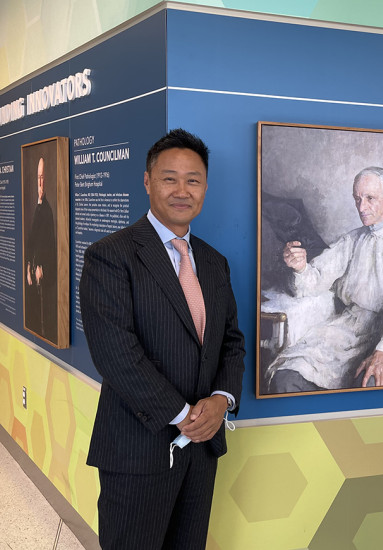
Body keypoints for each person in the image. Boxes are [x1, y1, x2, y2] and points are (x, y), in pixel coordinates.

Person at [79, 129, 245, 549]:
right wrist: (185, 414)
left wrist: (222, 400)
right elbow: (116, 354)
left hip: (202, 451)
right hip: (138, 449)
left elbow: (231, 342)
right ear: (148, 181)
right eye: (170, 178)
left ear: (205, 187)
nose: (182, 190)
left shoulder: (212, 262)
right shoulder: (110, 255)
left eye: (193, 180)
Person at [266, 166, 383, 394]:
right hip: (351, 329)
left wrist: (382, 350)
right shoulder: (352, 240)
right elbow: (316, 280)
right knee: (288, 376)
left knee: (368, 383)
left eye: (369, 198)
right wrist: (300, 267)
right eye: (357, 199)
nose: (361, 207)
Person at [25, 157, 57, 342]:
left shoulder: (47, 210)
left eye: (43, 177)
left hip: (44, 277)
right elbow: (31, 241)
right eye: (38, 177)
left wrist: (42, 268)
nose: (40, 182)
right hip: (34, 273)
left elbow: (50, 246)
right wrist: (29, 265)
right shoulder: (37, 208)